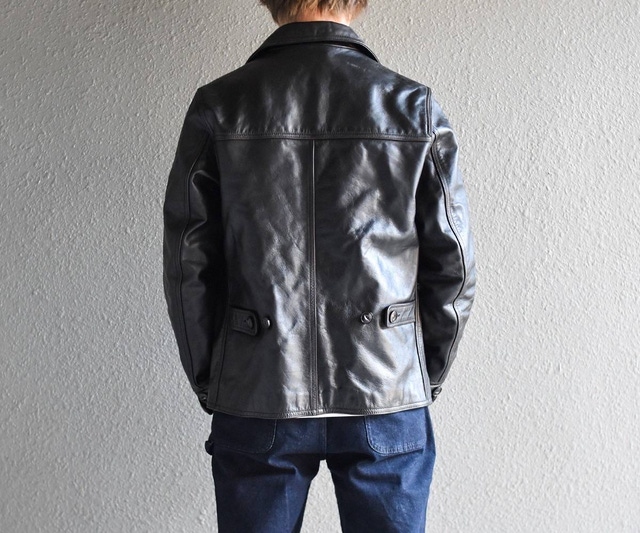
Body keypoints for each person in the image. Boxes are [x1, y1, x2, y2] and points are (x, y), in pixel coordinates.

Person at [162, 0, 476, 531]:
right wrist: (418, 373)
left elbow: (187, 265)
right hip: (385, 383)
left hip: (258, 383)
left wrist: (214, 379)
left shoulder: (221, 106)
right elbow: (454, 268)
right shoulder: (410, 107)